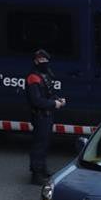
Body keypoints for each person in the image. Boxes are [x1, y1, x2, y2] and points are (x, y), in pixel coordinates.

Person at [26, 49, 66, 184]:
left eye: (45, 60)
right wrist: (54, 103)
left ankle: (42, 169)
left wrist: (58, 100)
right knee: (39, 145)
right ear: (35, 61)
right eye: (40, 60)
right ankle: (36, 175)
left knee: (44, 143)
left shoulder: (44, 75)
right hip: (40, 116)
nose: (43, 62)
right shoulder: (33, 77)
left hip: (47, 115)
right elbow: (36, 101)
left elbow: (49, 93)